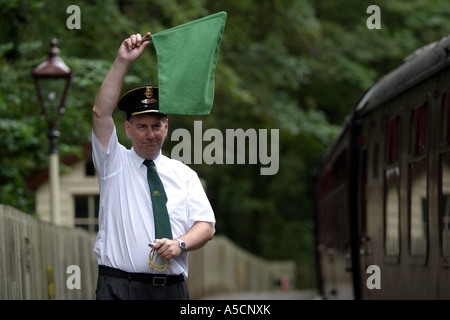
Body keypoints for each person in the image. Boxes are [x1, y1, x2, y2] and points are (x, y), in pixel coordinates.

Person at [91, 32, 216, 300]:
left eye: (157, 126)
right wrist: (122, 62)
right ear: (128, 128)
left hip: (170, 291)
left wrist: (179, 244)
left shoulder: (184, 175)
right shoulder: (113, 163)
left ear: (166, 127)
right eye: (142, 126)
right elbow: (100, 113)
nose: (150, 134)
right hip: (118, 288)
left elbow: (205, 226)